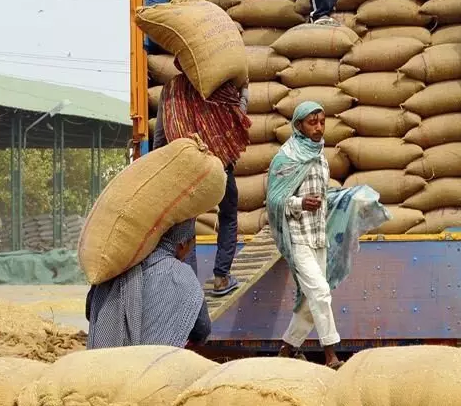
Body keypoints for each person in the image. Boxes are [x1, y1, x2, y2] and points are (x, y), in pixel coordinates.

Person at [267, 101, 389, 369]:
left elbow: (322, 193)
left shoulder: (320, 156)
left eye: (322, 121)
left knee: (312, 301)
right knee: (320, 292)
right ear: (298, 126)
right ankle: (331, 355)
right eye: (313, 122)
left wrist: (345, 198)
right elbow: (274, 201)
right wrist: (300, 204)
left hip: (318, 236)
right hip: (297, 236)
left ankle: (287, 349)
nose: (319, 127)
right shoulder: (285, 158)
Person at [154, 69, 250, 296]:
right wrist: (245, 91)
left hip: (185, 167)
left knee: (186, 228)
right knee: (227, 214)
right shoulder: (220, 85)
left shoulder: (170, 91)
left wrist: (162, 167)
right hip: (219, 164)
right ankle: (221, 277)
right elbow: (238, 119)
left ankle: (190, 292)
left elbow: (161, 134)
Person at [86, 220, 211, 349]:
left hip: (105, 363)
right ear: (183, 244)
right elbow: (202, 330)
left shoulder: (117, 265)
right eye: (191, 245)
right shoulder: (183, 275)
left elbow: (90, 311)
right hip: (156, 365)